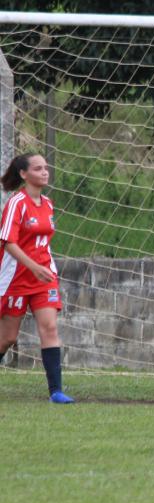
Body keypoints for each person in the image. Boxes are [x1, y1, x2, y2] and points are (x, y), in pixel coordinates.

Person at [0, 153, 74, 403]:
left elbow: (43, 242)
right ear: (24, 174)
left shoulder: (48, 203)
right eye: (38, 168)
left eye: (46, 168)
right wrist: (32, 266)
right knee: (7, 338)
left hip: (44, 277)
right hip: (16, 278)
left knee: (50, 327)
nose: (45, 172)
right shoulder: (16, 203)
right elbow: (8, 242)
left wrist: (44, 268)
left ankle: (56, 392)